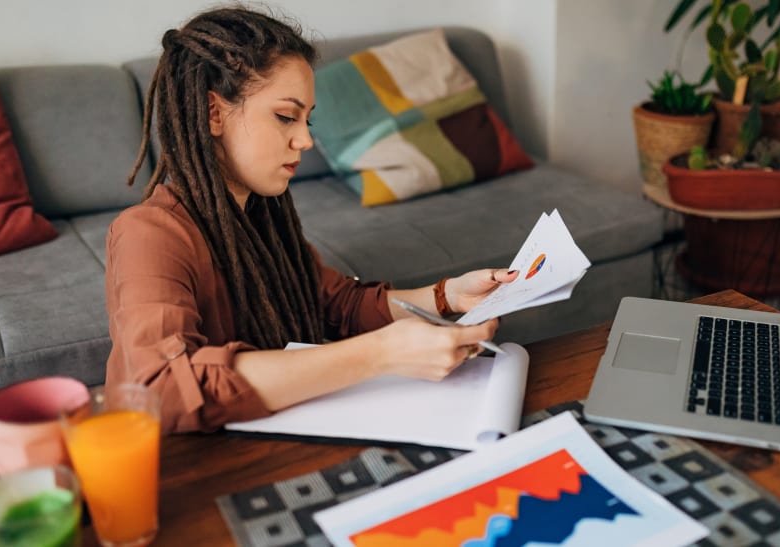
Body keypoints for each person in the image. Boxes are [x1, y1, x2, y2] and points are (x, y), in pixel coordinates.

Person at [106, 7, 518, 434]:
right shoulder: (149, 233)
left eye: (307, 119)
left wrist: (447, 296)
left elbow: (336, 305)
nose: (304, 140)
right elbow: (158, 388)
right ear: (214, 113)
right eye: (286, 116)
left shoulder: (262, 217)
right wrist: (378, 354)